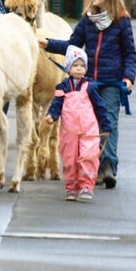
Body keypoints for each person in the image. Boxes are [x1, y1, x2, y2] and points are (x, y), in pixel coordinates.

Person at [39, 0, 136, 189]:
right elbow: (73, 45)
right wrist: (49, 44)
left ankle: (108, 166)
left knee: (108, 121)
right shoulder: (88, 20)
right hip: (88, 83)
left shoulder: (122, 20)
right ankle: (94, 166)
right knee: (90, 126)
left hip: (112, 81)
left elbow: (130, 52)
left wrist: (128, 77)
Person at [45, 46, 111, 202]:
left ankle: (86, 186)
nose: (79, 69)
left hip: (89, 130)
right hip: (69, 131)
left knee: (88, 156)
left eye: (82, 66)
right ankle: (71, 187)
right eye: (75, 65)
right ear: (68, 68)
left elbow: (100, 106)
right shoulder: (62, 88)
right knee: (69, 159)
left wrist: (106, 124)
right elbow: (56, 105)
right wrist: (51, 116)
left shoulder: (90, 87)